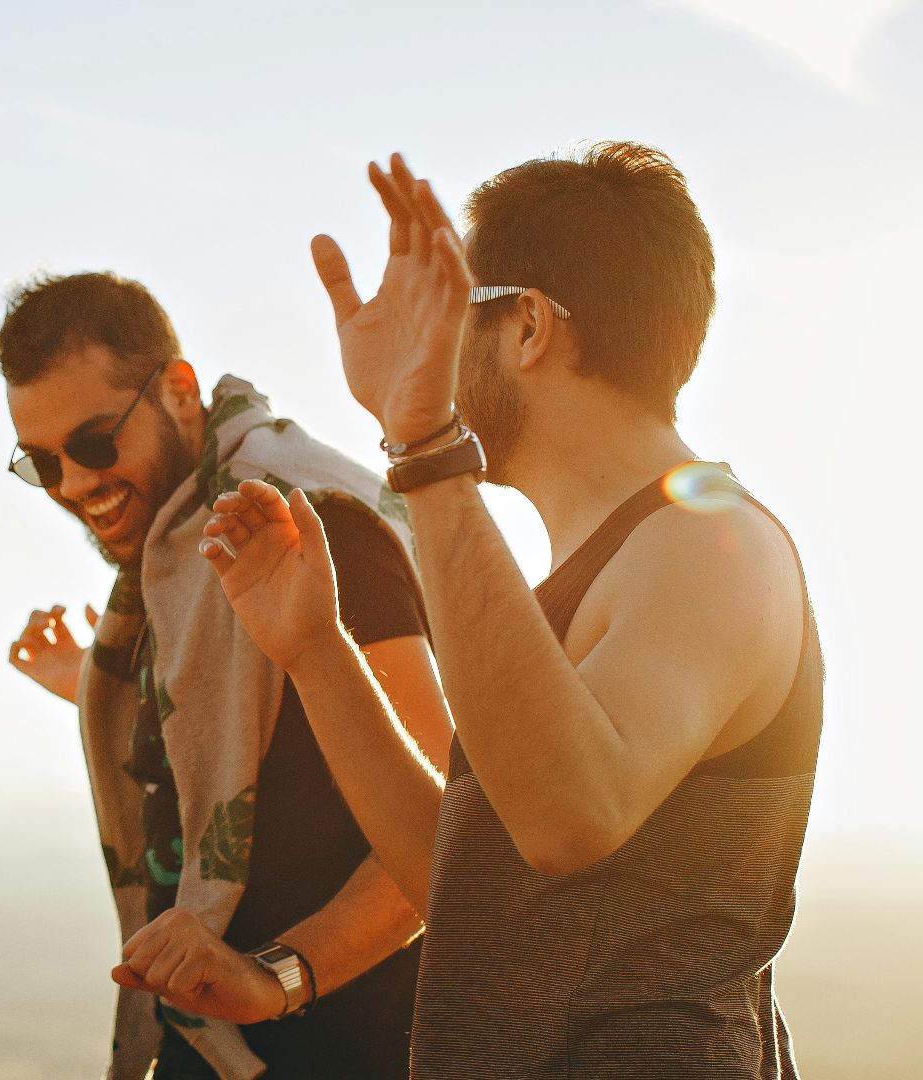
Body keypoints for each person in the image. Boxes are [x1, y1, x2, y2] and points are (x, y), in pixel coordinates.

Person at [135, 145, 822, 1078]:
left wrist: (422, 445)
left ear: (530, 325)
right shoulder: (594, 571)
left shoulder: (709, 543)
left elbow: (568, 818)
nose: (430, 351)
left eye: (447, 317)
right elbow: (468, 885)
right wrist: (314, 651)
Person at [0, 272, 452, 1080]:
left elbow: (445, 828)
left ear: (177, 391)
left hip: (339, 1044)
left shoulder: (310, 526)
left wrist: (278, 977)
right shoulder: (176, 560)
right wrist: (93, 683)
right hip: (212, 1044)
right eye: (41, 462)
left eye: (96, 443)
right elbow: (246, 721)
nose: (72, 484)